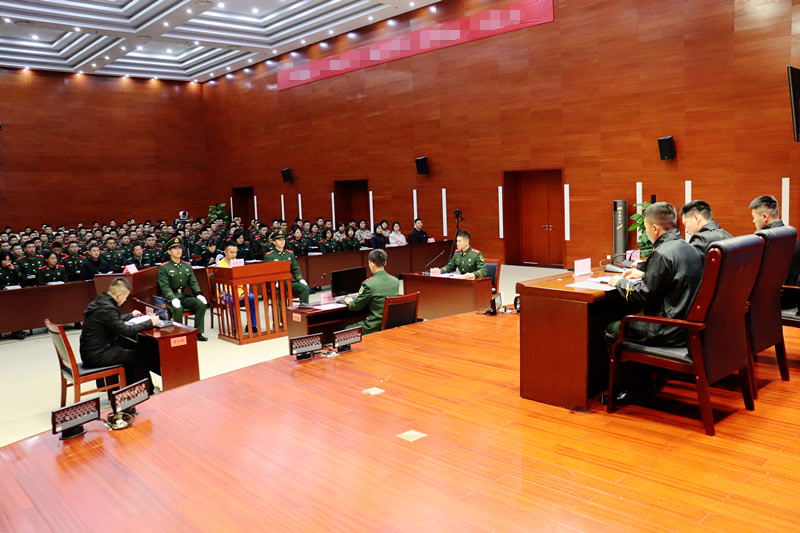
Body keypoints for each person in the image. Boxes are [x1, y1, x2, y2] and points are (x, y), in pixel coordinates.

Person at [606, 202, 704, 347]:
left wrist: (619, 282)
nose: (646, 232)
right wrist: (644, 275)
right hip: (685, 327)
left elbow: (645, 294)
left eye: (646, 228)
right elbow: (673, 279)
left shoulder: (661, 253)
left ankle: (625, 362)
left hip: (665, 328)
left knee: (612, 327)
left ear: (655, 229)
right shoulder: (688, 247)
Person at [80, 277, 161, 396]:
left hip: (90, 352)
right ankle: (147, 392)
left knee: (130, 351)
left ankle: (133, 390)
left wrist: (130, 315)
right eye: (126, 297)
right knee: (139, 356)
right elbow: (126, 331)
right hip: (97, 356)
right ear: (119, 295)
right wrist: (150, 322)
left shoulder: (100, 302)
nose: (125, 299)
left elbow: (113, 320)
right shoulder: (108, 309)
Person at [749, 194, 800, 309]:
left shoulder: (763, 240)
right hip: (791, 299)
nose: (753, 221)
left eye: (754, 217)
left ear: (764, 216)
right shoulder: (791, 235)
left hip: (772, 304)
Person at [157, 237, 208, 341]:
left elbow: (193, 282)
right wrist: (172, 298)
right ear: (169, 252)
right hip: (170, 297)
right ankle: (179, 333)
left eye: (179, 248)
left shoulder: (187, 266)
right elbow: (164, 286)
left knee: (200, 304)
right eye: (175, 248)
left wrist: (198, 293)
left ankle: (198, 332)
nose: (178, 250)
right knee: (178, 308)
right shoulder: (164, 267)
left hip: (183, 295)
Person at [344, 249, 400, 334]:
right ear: (385, 263)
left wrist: (350, 301)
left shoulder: (368, 284)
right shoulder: (395, 281)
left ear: (372, 264)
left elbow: (355, 307)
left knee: (347, 329)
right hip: (391, 324)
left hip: (374, 326)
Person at [216, 243, 257, 332]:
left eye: (235, 252)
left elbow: (245, 280)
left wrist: (245, 292)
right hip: (227, 293)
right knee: (232, 300)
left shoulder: (239, 263)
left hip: (241, 291)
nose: (234, 255)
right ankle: (235, 326)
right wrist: (232, 294)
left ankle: (252, 325)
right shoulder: (219, 265)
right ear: (225, 252)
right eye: (231, 252)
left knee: (252, 298)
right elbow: (219, 286)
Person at [263, 229, 310, 304]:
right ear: (274, 242)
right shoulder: (269, 256)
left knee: (305, 288)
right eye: (279, 240)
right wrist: (275, 282)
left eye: (283, 239)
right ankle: (282, 311)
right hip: (276, 284)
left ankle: (304, 306)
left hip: (289, 282)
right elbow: (268, 272)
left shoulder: (289, 254)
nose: (282, 242)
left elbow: (295, 269)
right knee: (280, 293)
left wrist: (300, 278)